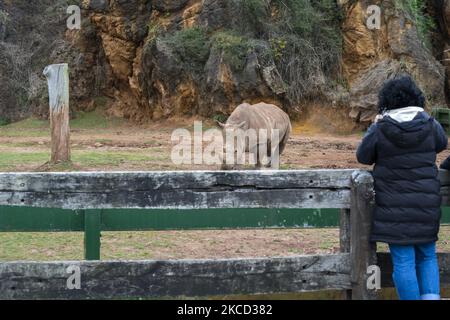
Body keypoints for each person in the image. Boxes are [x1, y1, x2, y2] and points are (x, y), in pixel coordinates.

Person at [356, 75, 448, 300]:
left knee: (404, 261)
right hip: (426, 205)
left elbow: (363, 156)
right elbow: (442, 144)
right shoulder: (430, 124)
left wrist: (375, 126)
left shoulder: (381, 128)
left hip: (394, 208)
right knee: (427, 255)